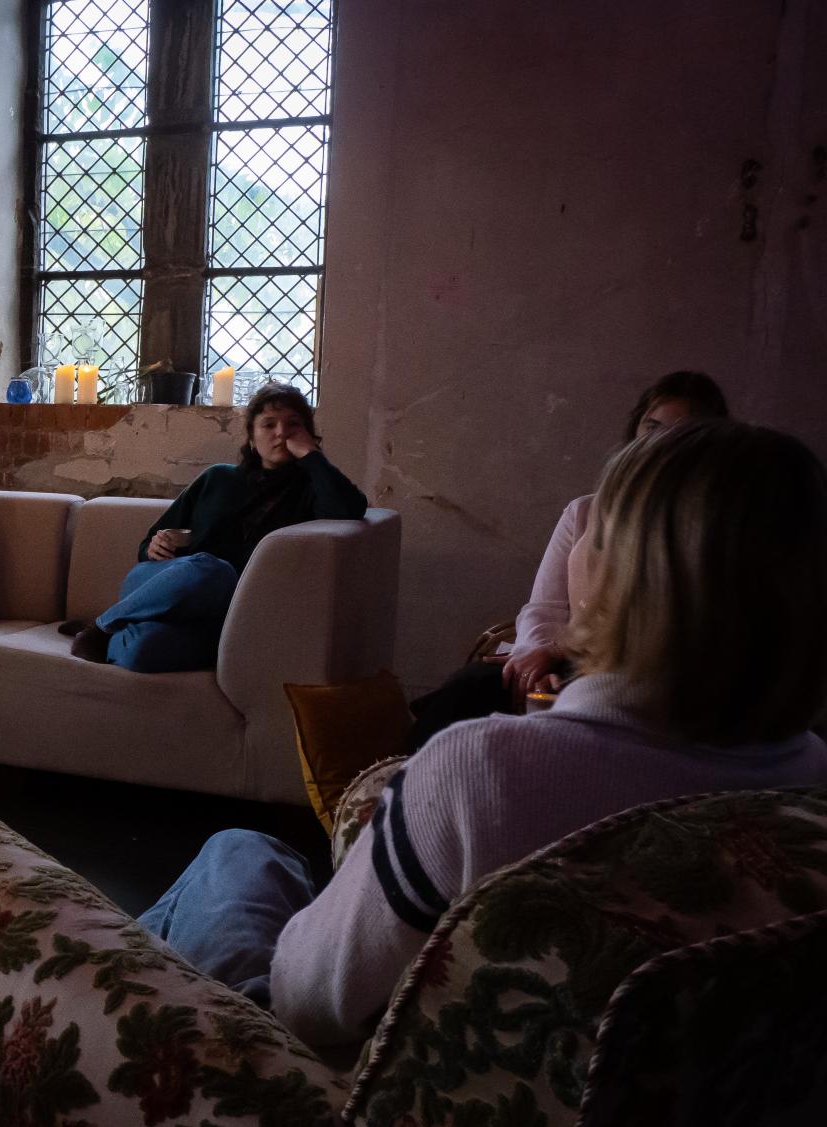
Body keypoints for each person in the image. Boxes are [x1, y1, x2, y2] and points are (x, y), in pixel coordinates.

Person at [138, 417, 827, 1048]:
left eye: (593, 523)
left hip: (319, 1075)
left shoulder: (484, 776)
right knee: (269, 859)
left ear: (621, 576)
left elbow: (304, 1001)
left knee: (234, 853)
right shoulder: (810, 782)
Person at [407, 371, 730, 746]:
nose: (658, 445)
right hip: (562, 657)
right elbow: (544, 607)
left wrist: (558, 651)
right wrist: (535, 658)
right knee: (476, 684)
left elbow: (654, 625)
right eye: (651, 427)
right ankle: (396, 782)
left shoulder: (710, 524)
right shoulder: (585, 512)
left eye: (679, 433)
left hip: (634, 671)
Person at [68, 382, 368, 672]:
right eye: (269, 424)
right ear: (251, 438)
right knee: (212, 569)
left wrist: (312, 456)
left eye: (293, 425)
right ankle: (105, 624)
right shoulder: (218, 478)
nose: (281, 433)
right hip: (161, 585)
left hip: (223, 613)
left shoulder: (312, 492)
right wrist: (154, 547)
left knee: (143, 651)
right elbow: (146, 546)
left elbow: (351, 510)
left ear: (308, 435)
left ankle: (112, 631)